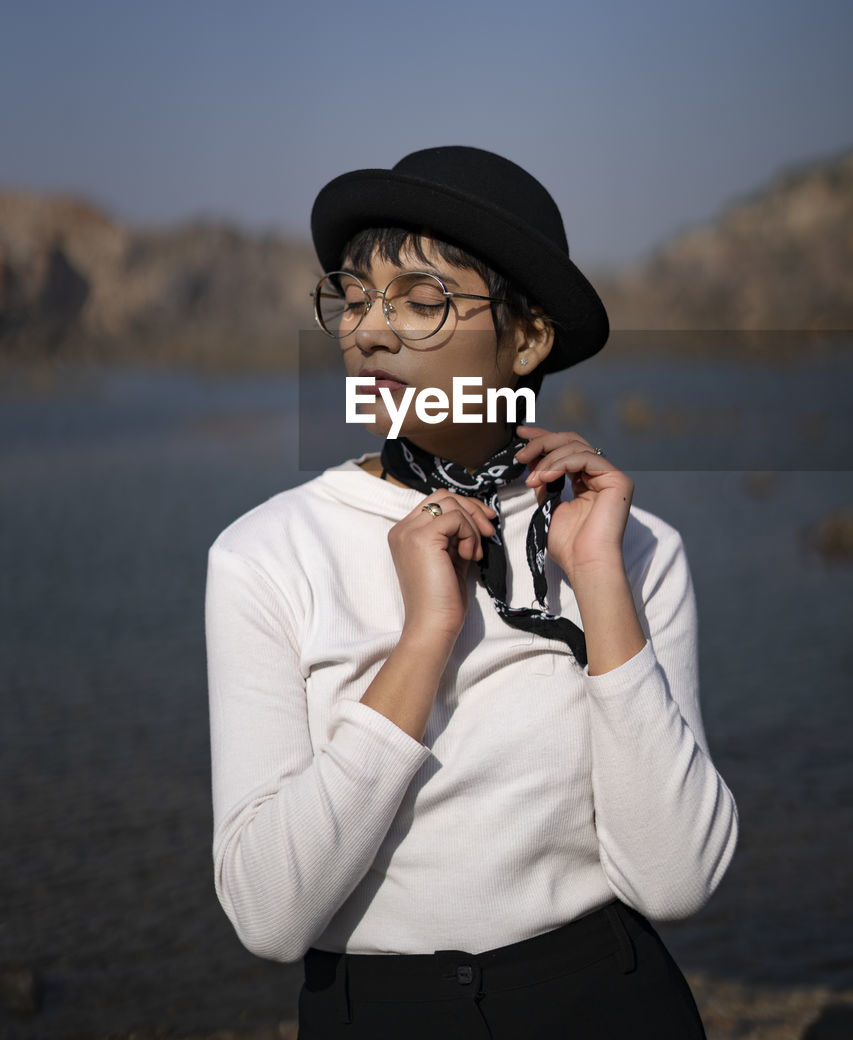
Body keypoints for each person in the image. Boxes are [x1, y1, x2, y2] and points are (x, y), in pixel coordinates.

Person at [204, 145, 738, 1039]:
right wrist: (422, 642)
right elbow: (268, 917)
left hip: (607, 995)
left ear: (527, 337)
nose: (367, 331)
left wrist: (599, 585)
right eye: (354, 297)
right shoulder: (265, 553)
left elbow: (676, 880)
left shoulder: (635, 548)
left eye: (421, 302)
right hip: (372, 1013)